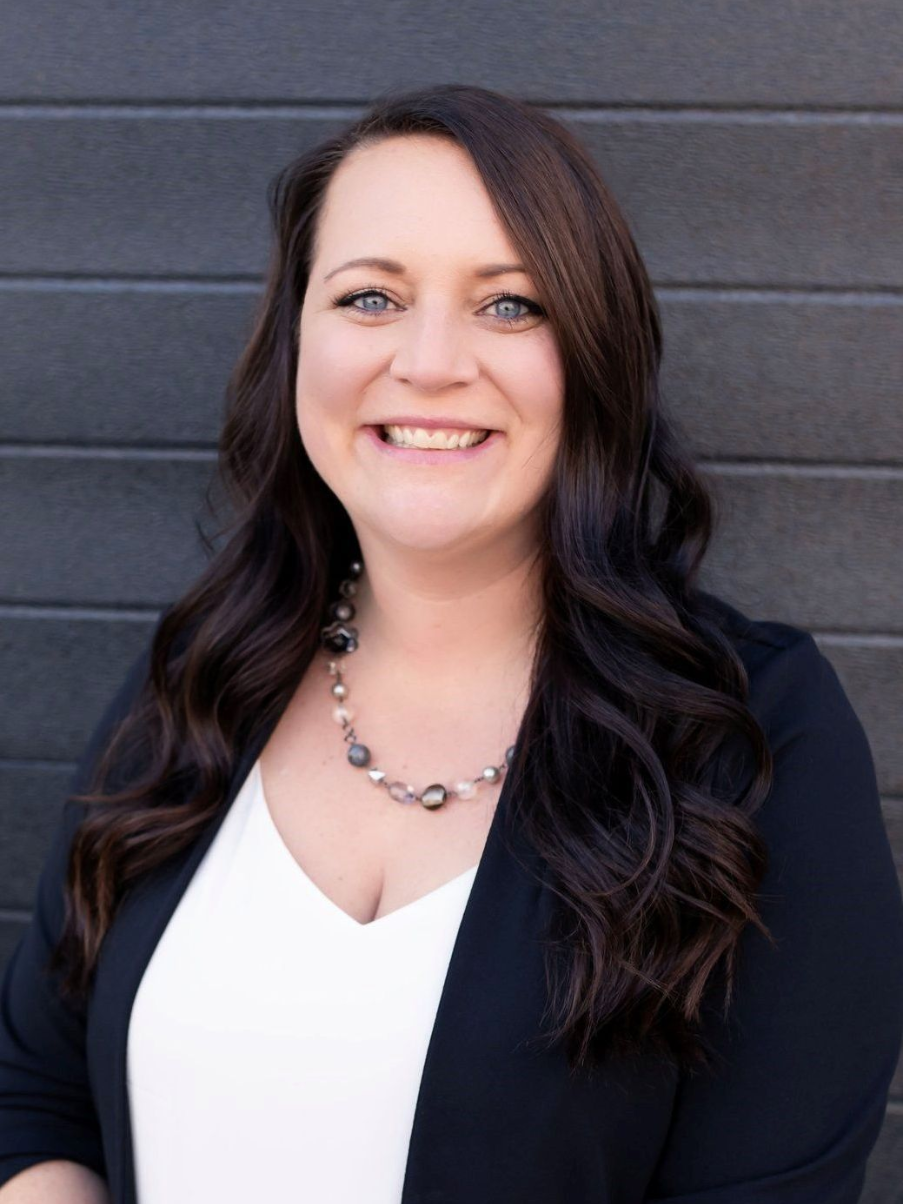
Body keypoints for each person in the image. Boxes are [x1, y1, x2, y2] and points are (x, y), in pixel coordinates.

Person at [1, 83, 901, 1204]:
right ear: (295, 348)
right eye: (370, 297)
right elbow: (33, 1091)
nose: (429, 362)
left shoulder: (756, 738)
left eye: (511, 306)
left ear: (593, 357)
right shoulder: (199, 678)